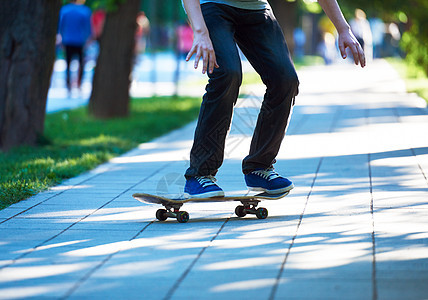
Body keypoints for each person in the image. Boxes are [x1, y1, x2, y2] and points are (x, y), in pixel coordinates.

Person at [182, 0, 365, 198]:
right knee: (227, 74)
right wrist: (200, 32)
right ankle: (200, 174)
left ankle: (259, 167)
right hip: (214, 5)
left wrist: (343, 29)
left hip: (257, 9)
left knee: (285, 80)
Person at [58, 0, 92, 93]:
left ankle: (68, 84)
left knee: (68, 63)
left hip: (68, 40)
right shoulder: (85, 10)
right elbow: (88, 28)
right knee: (81, 63)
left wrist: (60, 38)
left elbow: (60, 26)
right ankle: (79, 83)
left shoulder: (64, 10)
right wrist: (88, 39)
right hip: (80, 41)